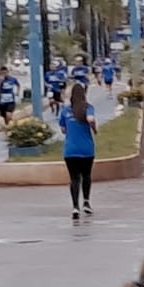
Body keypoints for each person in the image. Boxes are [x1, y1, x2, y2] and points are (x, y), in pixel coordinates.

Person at [60, 82, 97, 220]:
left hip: (70, 150)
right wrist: (94, 128)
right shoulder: (88, 107)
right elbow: (91, 119)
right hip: (87, 148)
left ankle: (75, 207)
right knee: (86, 176)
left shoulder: (65, 111)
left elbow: (63, 129)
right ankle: (86, 202)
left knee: (74, 178)